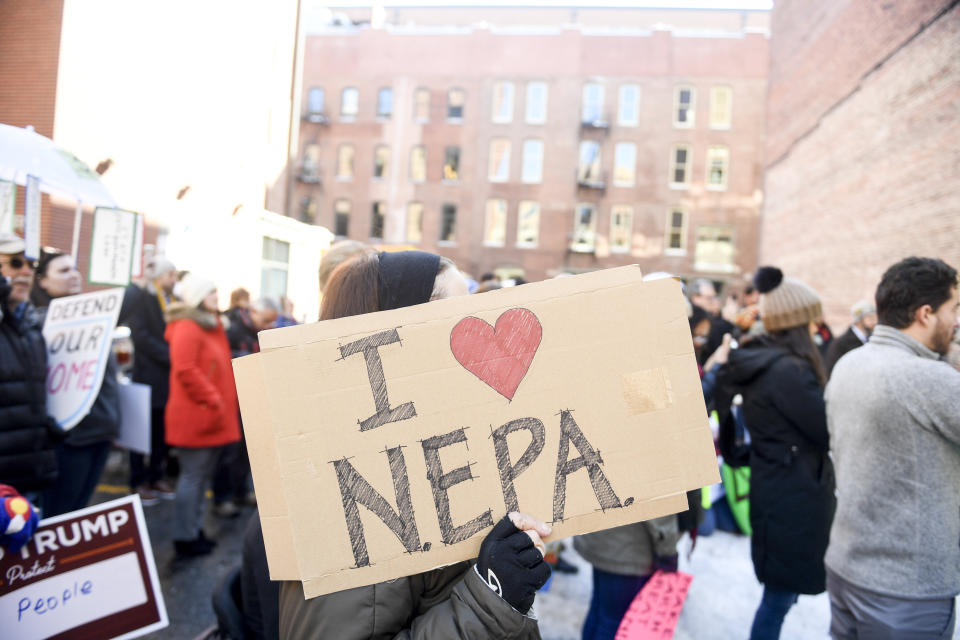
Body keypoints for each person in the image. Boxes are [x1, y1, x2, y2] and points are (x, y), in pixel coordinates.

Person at [277, 251, 549, 639]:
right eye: (456, 314)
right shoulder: (352, 493)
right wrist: (491, 597)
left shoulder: (445, 447)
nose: (475, 324)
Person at [825, 257, 960, 639]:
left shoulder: (850, 362)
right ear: (926, 313)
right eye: (955, 310)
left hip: (847, 565)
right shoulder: (927, 379)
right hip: (906, 588)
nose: (957, 322)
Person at [715, 266, 835, 640]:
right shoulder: (789, 371)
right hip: (792, 496)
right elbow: (827, 430)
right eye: (812, 321)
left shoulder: (769, 362)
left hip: (781, 488)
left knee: (780, 594)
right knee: (778, 599)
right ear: (798, 323)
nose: (818, 329)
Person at [31, 250, 121, 517]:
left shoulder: (95, 316)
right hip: (69, 438)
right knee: (60, 515)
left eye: (74, 268)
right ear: (42, 281)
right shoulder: (36, 322)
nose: (73, 275)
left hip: (101, 430)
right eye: (63, 270)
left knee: (79, 511)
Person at [164, 274, 241, 557]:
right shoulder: (188, 326)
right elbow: (185, 369)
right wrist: (214, 399)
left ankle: (194, 531)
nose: (216, 298)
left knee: (200, 479)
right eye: (210, 293)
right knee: (193, 479)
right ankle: (184, 537)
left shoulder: (210, 325)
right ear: (197, 297)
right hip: (198, 416)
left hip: (210, 415)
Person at [0, 234, 59, 498]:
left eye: (30, 265)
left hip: (29, 475)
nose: (25, 271)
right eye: (14, 263)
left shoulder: (32, 327)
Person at [213, 296, 280, 518]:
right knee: (228, 453)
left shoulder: (255, 330)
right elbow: (220, 360)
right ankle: (223, 498)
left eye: (272, 321)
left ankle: (241, 491)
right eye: (266, 320)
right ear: (252, 312)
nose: (270, 325)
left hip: (250, 397)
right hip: (231, 398)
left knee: (246, 451)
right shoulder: (231, 329)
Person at [123, 256, 179, 505]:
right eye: (171, 275)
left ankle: (157, 475)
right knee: (140, 432)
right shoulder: (143, 298)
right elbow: (141, 336)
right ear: (159, 276)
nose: (174, 280)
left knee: (161, 431)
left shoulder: (174, 301)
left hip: (167, 378)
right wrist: (171, 355)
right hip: (147, 374)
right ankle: (138, 481)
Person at [575, 516, 679, 640]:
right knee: (613, 624)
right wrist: (667, 550)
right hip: (630, 550)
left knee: (599, 612)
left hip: (603, 540)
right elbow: (660, 510)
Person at [824, 300, 877, 376]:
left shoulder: (870, 339)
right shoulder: (842, 343)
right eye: (870, 318)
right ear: (859, 320)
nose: (874, 322)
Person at [690, 278, 735, 364]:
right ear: (695, 298)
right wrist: (728, 321)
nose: (714, 301)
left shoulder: (710, 316)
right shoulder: (695, 318)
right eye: (709, 298)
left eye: (715, 297)